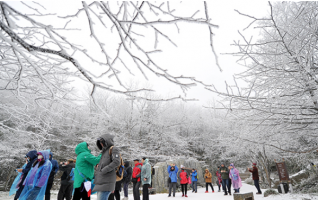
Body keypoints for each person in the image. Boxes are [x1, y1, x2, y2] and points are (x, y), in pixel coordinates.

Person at [93, 134, 121, 200]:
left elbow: (117, 161)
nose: (101, 144)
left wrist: (104, 170)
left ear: (106, 141)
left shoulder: (113, 149)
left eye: (102, 142)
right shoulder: (103, 152)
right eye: (100, 142)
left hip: (107, 182)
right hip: (101, 181)